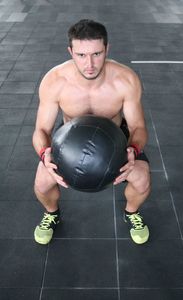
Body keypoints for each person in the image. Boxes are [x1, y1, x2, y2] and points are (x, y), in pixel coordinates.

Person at [32, 19, 151, 245]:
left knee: (143, 180)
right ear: (71, 52)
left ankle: (132, 213)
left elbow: (138, 127)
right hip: (69, 139)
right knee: (41, 183)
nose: (90, 64)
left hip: (117, 137)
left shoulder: (125, 80)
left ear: (107, 49)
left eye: (97, 54)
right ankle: (51, 213)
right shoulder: (54, 81)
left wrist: (133, 150)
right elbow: (41, 129)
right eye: (81, 55)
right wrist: (44, 155)